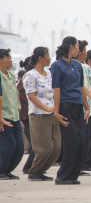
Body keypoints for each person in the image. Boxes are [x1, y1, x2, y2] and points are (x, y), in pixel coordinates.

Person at [50, 37, 91, 185]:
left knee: (82, 141)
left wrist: (87, 107)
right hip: (65, 106)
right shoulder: (57, 66)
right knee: (72, 142)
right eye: (77, 47)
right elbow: (57, 89)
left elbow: (82, 88)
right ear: (70, 47)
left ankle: (73, 176)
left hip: (78, 106)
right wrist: (56, 111)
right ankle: (62, 176)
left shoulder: (77, 65)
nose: (78, 50)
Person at [22, 47, 62, 181]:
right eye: (48, 55)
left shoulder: (49, 74)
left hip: (52, 113)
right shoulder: (30, 75)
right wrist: (45, 107)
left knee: (56, 148)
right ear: (40, 58)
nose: (50, 58)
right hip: (38, 114)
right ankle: (34, 171)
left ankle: (41, 170)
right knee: (44, 148)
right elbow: (31, 96)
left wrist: (55, 109)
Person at [76, 41, 91, 176]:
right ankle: (82, 165)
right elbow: (82, 86)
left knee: (87, 137)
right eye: (84, 50)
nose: (86, 53)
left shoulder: (85, 67)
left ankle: (82, 166)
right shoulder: (74, 66)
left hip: (88, 109)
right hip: (78, 108)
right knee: (84, 138)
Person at [0, 49, 23, 180]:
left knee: (19, 146)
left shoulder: (12, 76)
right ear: (0, 60)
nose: (10, 59)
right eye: (7, 57)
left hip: (15, 116)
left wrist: (18, 116)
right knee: (8, 146)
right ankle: (1, 170)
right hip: (4, 117)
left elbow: (15, 96)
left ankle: (7, 170)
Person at [17, 63, 34, 174]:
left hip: (29, 116)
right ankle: (28, 167)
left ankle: (32, 166)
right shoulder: (24, 83)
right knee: (35, 144)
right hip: (26, 117)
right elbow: (28, 101)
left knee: (35, 144)